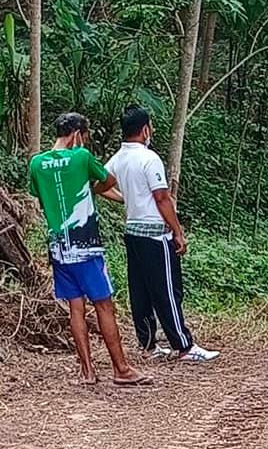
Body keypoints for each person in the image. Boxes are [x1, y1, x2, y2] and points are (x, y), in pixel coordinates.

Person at [29, 112, 151, 386]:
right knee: (104, 305)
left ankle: (87, 371)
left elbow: (39, 195)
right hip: (86, 246)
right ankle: (121, 368)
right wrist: (91, 187)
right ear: (77, 135)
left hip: (59, 246)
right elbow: (108, 181)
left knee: (75, 308)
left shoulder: (37, 163)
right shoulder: (82, 158)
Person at [105, 106, 219, 363]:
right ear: (145, 129)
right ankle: (184, 346)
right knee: (167, 289)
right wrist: (177, 231)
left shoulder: (117, 159)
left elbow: (100, 185)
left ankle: (148, 344)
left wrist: (126, 199)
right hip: (156, 234)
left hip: (133, 231)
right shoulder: (149, 158)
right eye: (151, 127)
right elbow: (162, 198)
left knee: (141, 290)